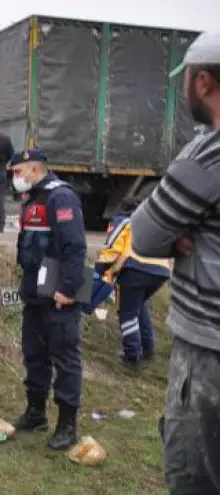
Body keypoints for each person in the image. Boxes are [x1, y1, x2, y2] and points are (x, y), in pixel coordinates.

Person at [128, 30, 220, 495]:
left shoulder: (208, 154)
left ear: (203, 83)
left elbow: (143, 234)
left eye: (184, 82)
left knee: (196, 477)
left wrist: (183, 230)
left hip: (210, 355)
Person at [9, 148, 87, 451]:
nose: (15, 178)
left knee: (64, 357)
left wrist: (68, 289)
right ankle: (35, 412)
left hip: (59, 293)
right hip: (36, 293)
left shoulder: (60, 197)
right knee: (34, 353)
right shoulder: (32, 198)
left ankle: (67, 425)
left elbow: (74, 246)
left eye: (18, 172)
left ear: (33, 169)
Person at [94, 196, 170, 369]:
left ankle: (132, 356)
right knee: (139, 306)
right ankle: (148, 349)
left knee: (127, 313)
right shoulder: (152, 222)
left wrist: (98, 270)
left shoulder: (123, 221)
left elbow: (113, 248)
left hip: (135, 269)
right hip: (160, 270)